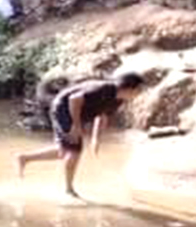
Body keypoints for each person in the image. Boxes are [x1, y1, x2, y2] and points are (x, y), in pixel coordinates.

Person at [17, 71, 146, 197]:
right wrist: (76, 125)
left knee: (65, 151)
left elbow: (102, 117)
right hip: (63, 108)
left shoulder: (118, 100)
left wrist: (96, 139)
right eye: (139, 91)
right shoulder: (104, 89)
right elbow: (74, 99)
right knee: (74, 151)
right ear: (130, 88)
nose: (139, 95)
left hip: (74, 112)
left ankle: (25, 158)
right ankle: (68, 189)